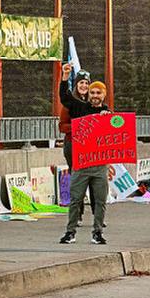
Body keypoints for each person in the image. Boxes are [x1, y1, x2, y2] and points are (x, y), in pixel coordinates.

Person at [58, 63, 112, 244]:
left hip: (99, 165)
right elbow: (64, 98)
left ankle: (97, 231)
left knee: (100, 200)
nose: (95, 96)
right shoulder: (79, 107)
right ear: (88, 94)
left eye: (98, 93)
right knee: (75, 199)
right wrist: (65, 77)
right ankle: (70, 231)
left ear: (104, 95)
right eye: (92, 93)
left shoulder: (108, 114)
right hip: (81, 163)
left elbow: (115, 139)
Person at [58, 69, 98, 227]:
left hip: (90, 146)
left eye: (87, 83)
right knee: (78, 181)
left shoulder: (93, 103)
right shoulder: (70, 103)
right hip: (73, 145)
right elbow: (62, 126)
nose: (84, 86)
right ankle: (78, 214)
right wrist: (79, 127)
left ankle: (97, 214)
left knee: (95, 179)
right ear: (76, 85)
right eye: (81, 82)